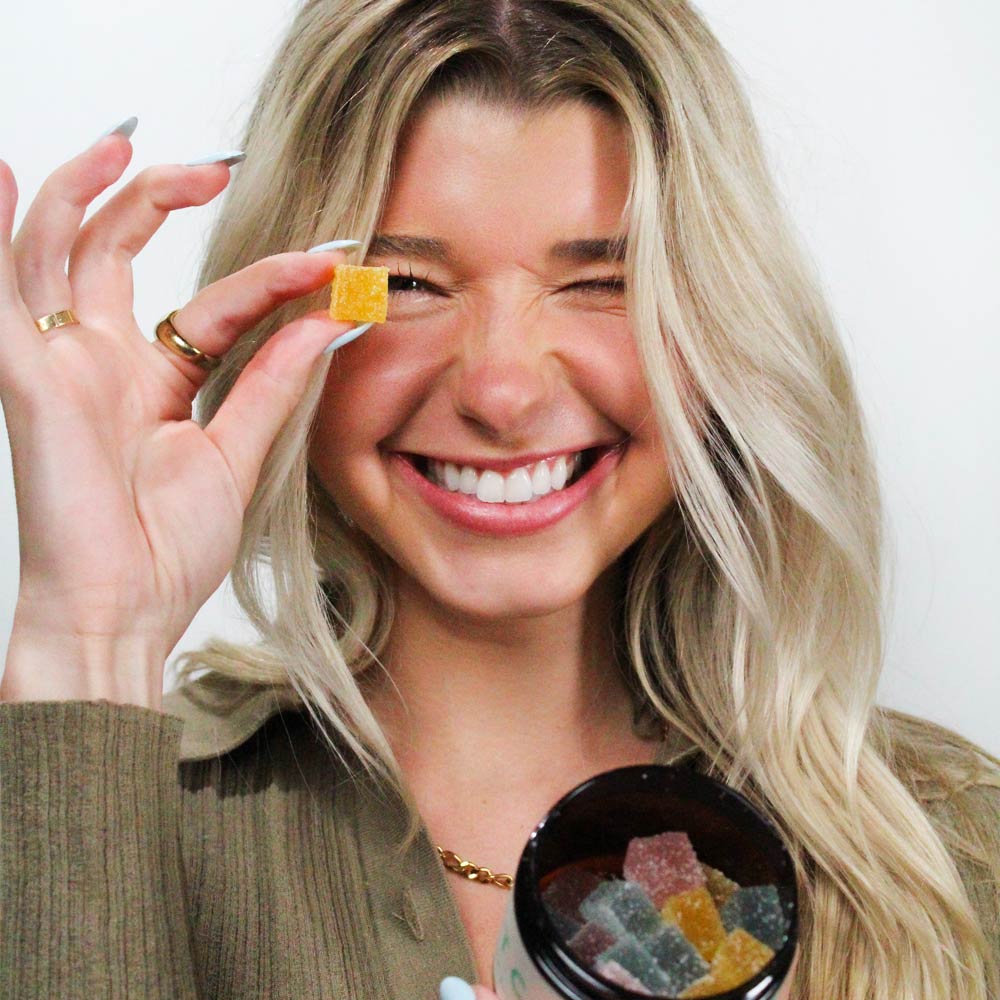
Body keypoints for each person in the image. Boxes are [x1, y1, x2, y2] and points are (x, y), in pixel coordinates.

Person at [0, 1, 997, 998]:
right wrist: (88, 642)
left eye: (604, 280)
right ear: (281, 318)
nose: (502, 392)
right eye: (402, 285)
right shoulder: (78, 803)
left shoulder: (944, 846)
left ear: (722, 325)